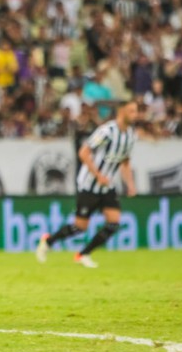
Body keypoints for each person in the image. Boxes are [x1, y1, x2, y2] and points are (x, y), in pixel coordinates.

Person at [36, 100, 138, 268]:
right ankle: (48, 241)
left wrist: (131, 184)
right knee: (80, 227)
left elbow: (125, 161)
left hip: (107, 186)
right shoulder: (107, 131)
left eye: (136, 111)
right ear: (122, 112)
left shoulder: (131, 136)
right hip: (89, 184)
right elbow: (83, 152)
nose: (135, 115)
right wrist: (98, 175)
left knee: (114, 223)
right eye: (132, 111)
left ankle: (83, 254)